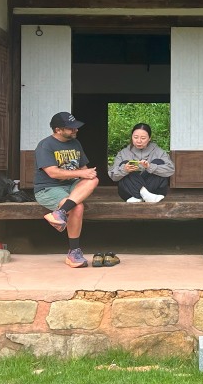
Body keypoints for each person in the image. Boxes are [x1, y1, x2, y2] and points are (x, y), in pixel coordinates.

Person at [34, 111, 99, 268]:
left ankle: (60, 213)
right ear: (58, 130)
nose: (76, 130)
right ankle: (73, 253)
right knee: (77, 207)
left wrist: (88, 174)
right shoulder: (45, 145)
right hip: (48, 188)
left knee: (93, 179)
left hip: (71, 186)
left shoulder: (75, 143)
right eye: (71, 128)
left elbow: (84, 170)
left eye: (75, 127)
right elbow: (53, 172)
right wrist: (81, 173)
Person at [108, 123, 175, 202]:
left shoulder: (159, 152)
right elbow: (112, 175)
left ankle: (140, 196)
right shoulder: (123, 153)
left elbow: (171, 170)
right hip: (130, 193)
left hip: (153, 191)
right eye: (135, 137)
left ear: (149, 138)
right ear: (132, 137)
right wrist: (124, 170)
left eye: (143, 138)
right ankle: (145, 194)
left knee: (158, 162)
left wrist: (150, 167)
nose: (139, 141)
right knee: (125, 164)